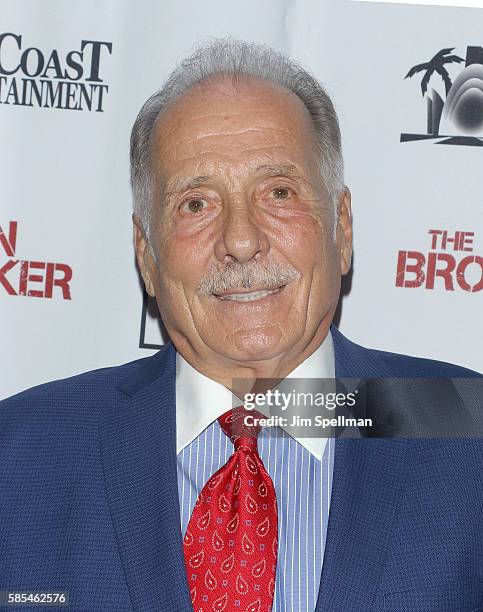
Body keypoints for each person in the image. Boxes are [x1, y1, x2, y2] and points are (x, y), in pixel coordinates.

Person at [0, 39, 481, 612]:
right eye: (196, 204)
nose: (241, 240)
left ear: (342, 229)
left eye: (278, 192)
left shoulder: (466, 431)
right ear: (147, 255)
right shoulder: (22, 452)